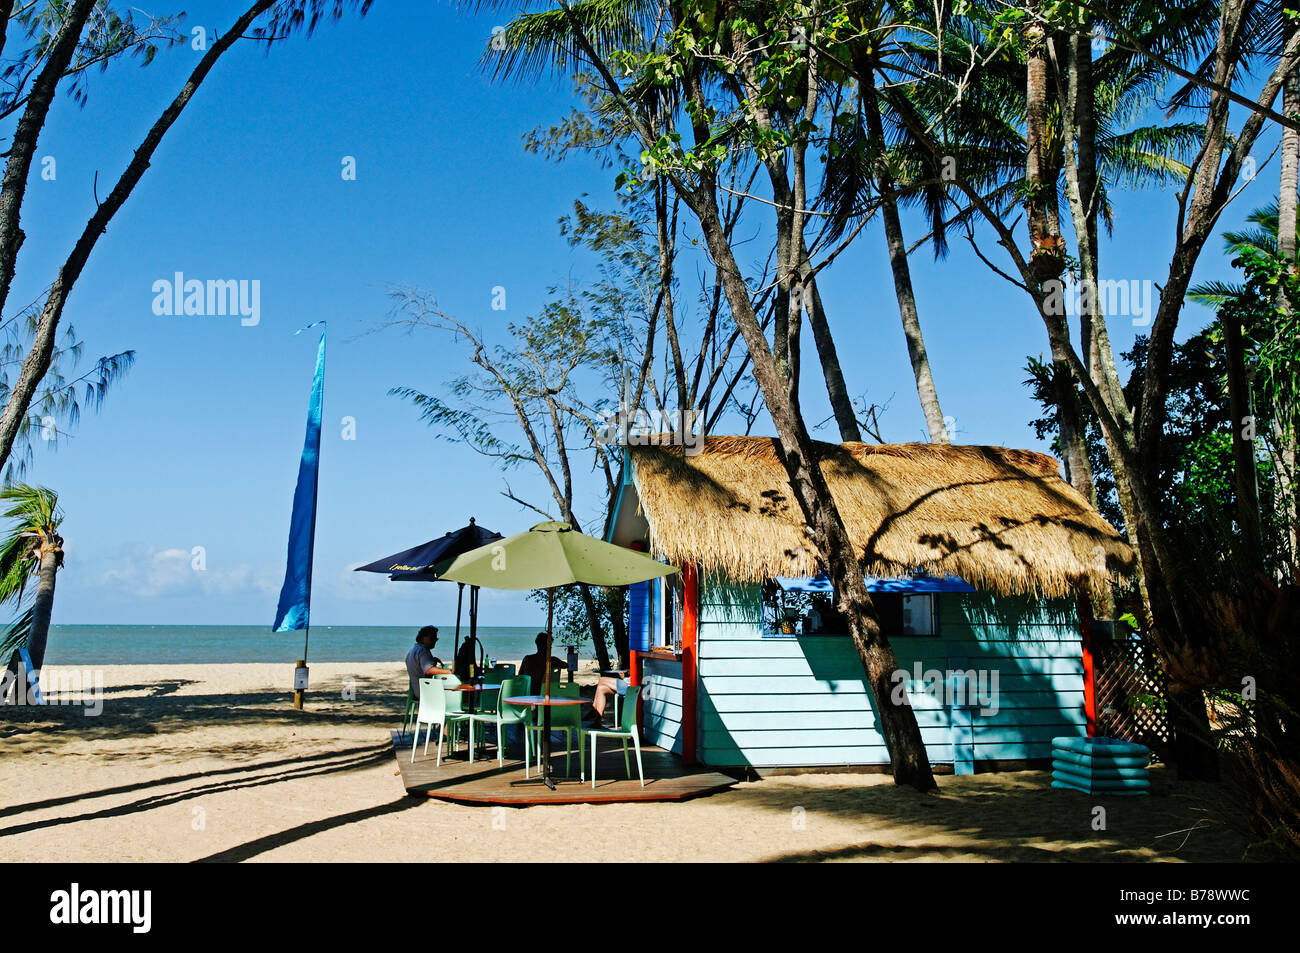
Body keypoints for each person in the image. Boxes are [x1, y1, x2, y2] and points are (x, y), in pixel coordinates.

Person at [404, 625, 444, 698]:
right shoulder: (423, 650)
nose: (435, 640)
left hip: (416, 690)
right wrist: (451, 672)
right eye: (432, 638)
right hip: (424, 692)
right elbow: (429, 670)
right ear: (423, 638)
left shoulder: (413, 650)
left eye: (436, 638)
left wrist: (432, 661)